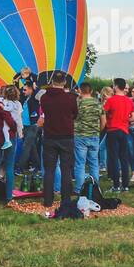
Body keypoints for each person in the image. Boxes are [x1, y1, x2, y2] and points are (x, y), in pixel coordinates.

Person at [38, 72, 78, 210]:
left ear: (52, 81)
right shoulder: (70, 98)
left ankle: (48, 200)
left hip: (50, 136)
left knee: (49, 170)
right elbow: (75, 114)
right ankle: (65, 200)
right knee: (66, 170)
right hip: (66, 136)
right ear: (64, 82)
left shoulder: (44, 98)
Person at [102, 79, 134, 191]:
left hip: (112, 131)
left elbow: (103, 113)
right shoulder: (129, 101)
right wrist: (125, 120)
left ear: (115, 86)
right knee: (124, 159)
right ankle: (125, 185)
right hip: (124, 131)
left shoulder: (110, 100)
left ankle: (116, 185)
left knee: (114, 159)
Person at [71, 80, 103, 192]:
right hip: (94, 135)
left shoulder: (77, 103)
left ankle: (79, 188)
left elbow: (72, 118)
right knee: (94, 163)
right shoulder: (98, 103)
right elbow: (103, 121)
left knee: (80, 163)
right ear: (92, 91)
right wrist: (98, 130)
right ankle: (96, 188)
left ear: (80, 90)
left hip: (80, 136)